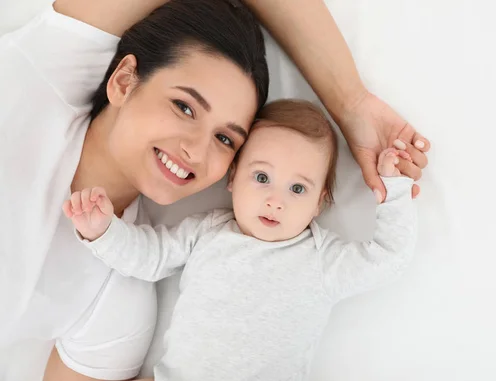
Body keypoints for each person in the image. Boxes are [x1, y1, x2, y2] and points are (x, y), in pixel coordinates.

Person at [0, 0, 429, 379]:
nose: (196, 151)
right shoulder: (43, 74)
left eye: (226, 139)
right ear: (124, 80)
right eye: (184, 106)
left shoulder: (118, 297)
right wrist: (349, 102)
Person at [64, 100, 418, 381]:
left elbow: (389, 258)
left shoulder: (322, 260)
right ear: (233, 178)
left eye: (298, 189)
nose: (275, 200)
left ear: (319, 204)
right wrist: (103, 230)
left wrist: (395, 190)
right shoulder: (206, 232)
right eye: (261, 176)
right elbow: (149, 256)